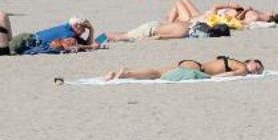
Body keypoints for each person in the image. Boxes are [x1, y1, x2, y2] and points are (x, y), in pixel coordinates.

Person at [100, 56, 265, 82]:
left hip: (192, 62)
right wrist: (214, 79)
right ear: (249, 61)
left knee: (156, 72)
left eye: (257, 71)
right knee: (157, 75)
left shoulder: (233, 59)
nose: (254, 70)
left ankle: (120, 73)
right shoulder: (243, 68)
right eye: (256, 66)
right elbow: (230, 75)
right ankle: (125, 73)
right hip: (196, 69)